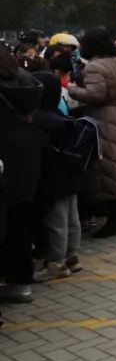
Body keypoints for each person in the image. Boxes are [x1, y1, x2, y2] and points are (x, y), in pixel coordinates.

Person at [66, 28, 116, 239]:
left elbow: (96, 94)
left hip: (105, 119)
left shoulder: (94, 67)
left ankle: (115, 220)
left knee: (109, 169)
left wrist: (72, 89)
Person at [0, 45, 45, 303]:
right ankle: (22, 282)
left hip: (5, 158)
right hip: (26, 155)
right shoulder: (23, 79)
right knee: (20, 222)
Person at [30, 71, 84, 281]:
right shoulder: (61, 115)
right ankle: (72, 257)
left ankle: (56, 263)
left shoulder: (39, 119)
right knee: (72, 218)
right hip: (70, 175)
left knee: (56, 221)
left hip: (53, 179)